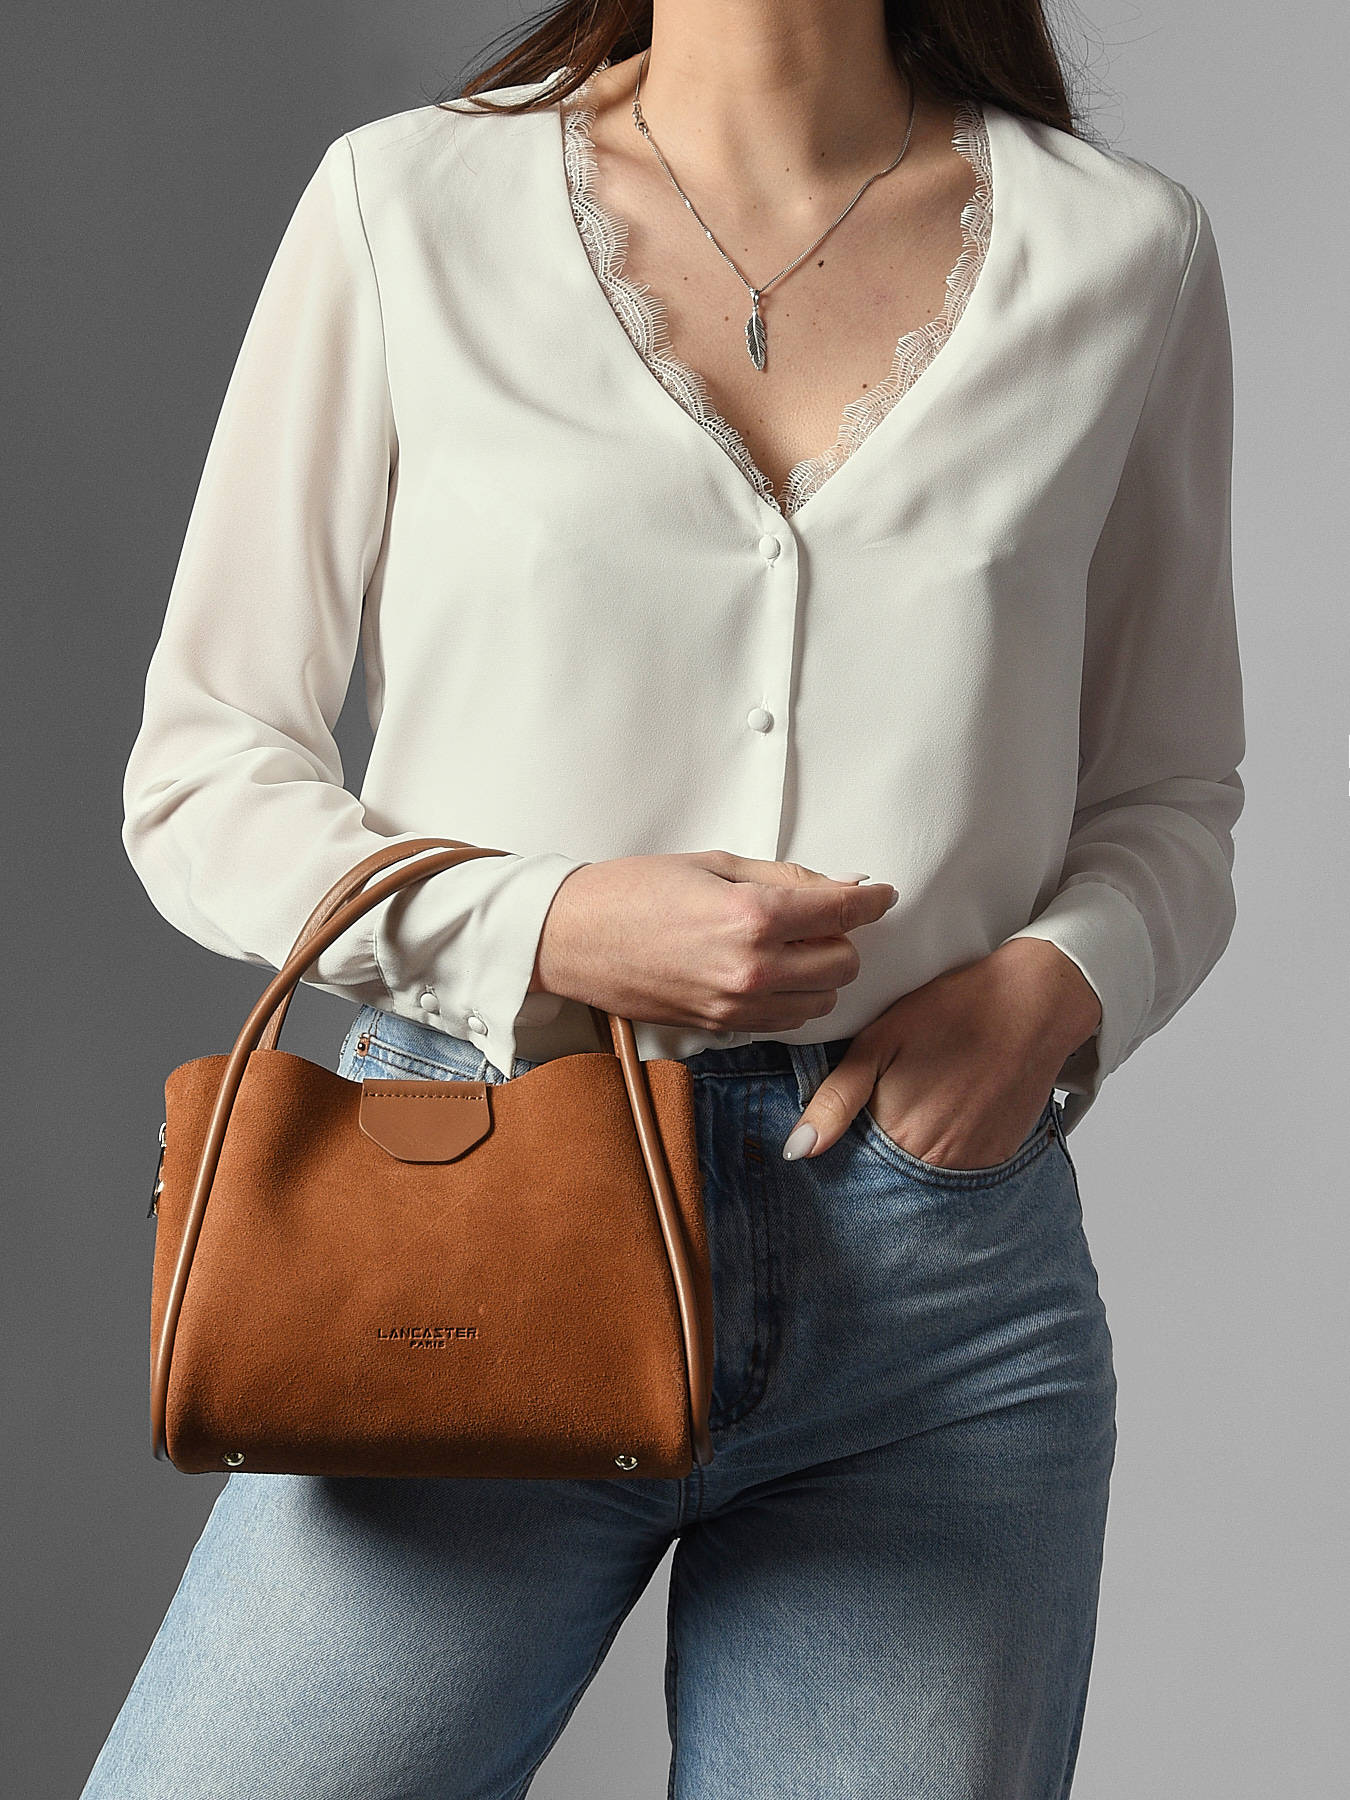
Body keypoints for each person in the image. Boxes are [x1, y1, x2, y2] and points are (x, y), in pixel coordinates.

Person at [86, 2, 1245, 1795]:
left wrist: (1053, 988)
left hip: (932, 1285)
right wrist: (544, 928)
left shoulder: (1120, 251)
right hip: (471, 1218)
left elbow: (1169, 797)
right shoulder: (407, 207)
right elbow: (203, 772)